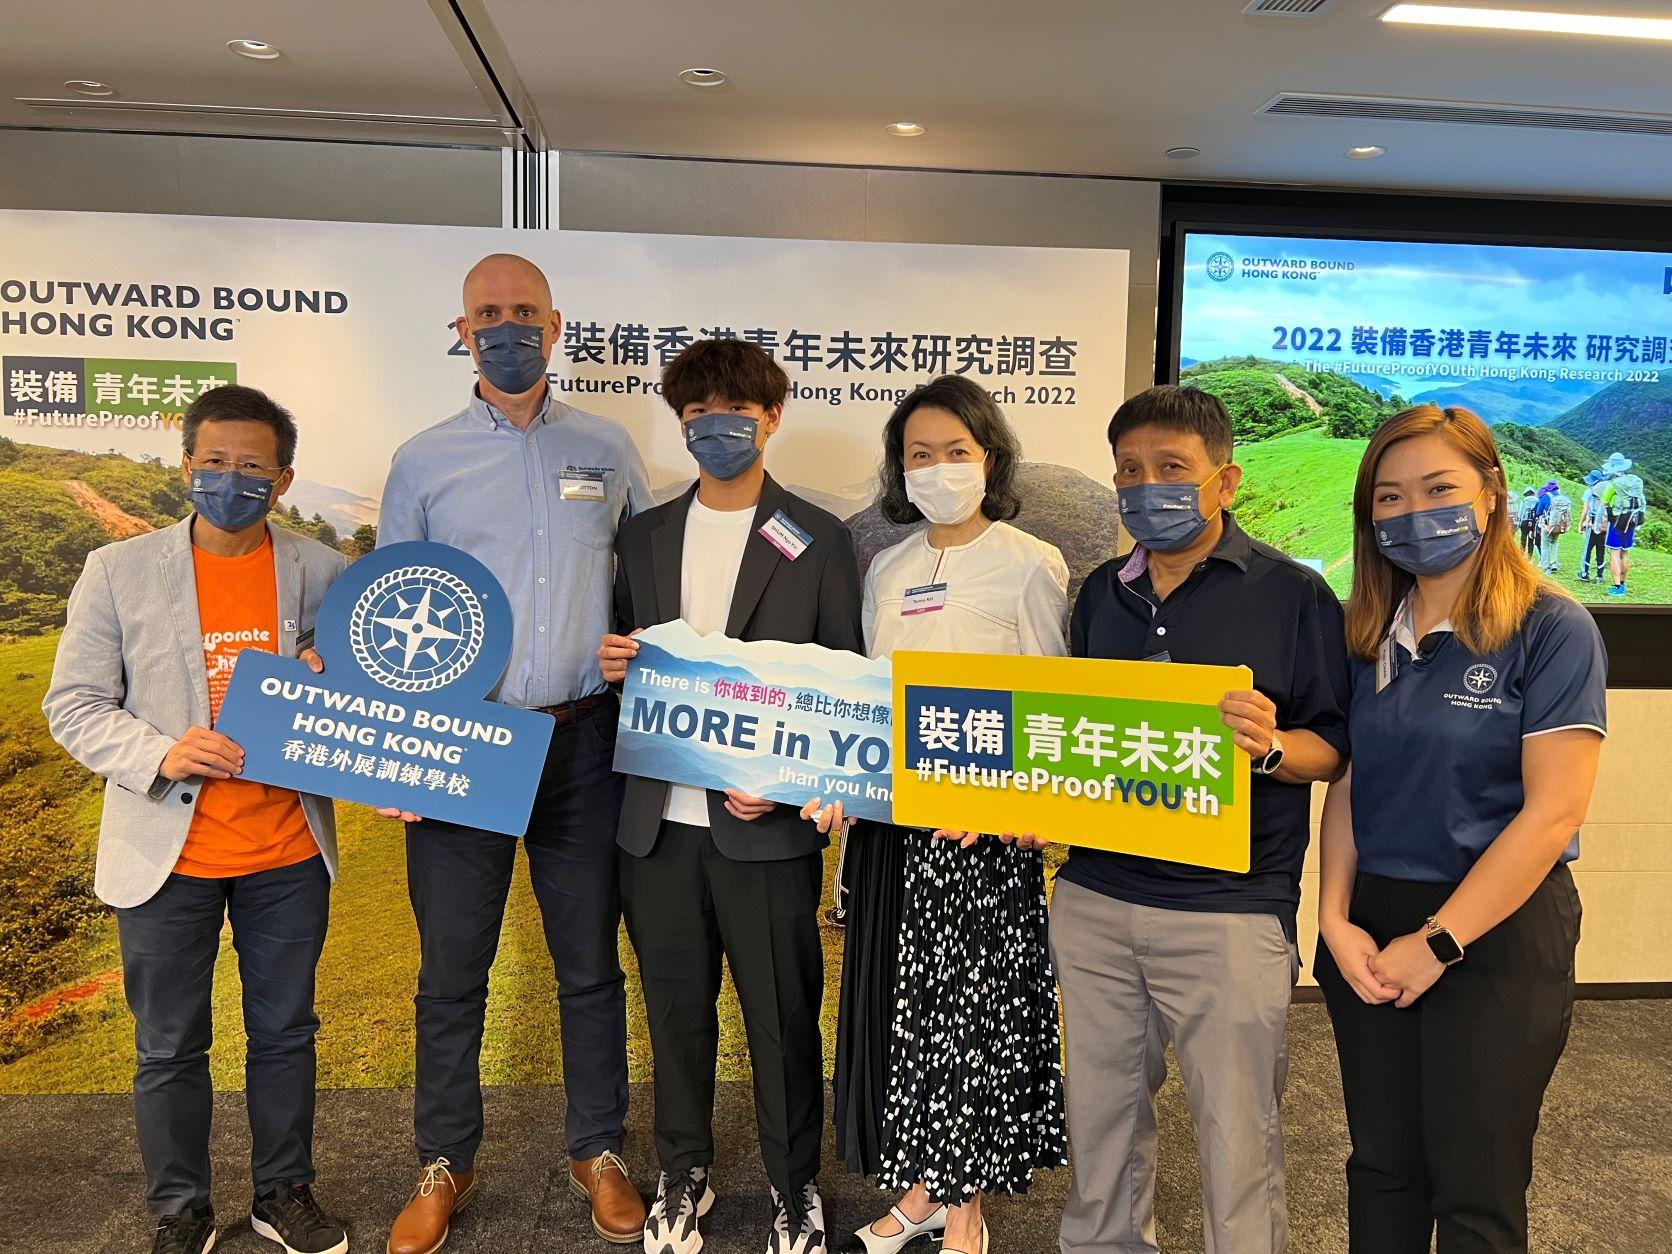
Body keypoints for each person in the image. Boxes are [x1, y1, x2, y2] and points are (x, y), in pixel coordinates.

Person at [377, 254, 653, 1253]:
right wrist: (398, 756)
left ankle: (598, 1150)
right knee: (453, 970)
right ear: (462, 330)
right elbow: (387, 615)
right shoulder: (422, 461)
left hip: (583, 742)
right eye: (487, 314)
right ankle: (443, 1161)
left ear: (555, 324)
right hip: (465, 745)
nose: (506, 327)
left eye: (523, 311)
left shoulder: (608, 448)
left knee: (589, 964)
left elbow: (646, 584)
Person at [43, 385, 349, 1254]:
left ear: (282, 481)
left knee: (285, 1034)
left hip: (286, 847)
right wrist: (160, 752)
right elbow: (73, 704)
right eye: (214, 461)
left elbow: (355, 695)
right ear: (186, 466)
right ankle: (181, 1207)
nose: (230, 479)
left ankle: (283, 1192)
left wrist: (331, 678)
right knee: (169, 1045)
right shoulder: (118, 570)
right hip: (164, 853)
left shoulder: (322, 571)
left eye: (252, 467)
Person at [1050, 384, 1350, 1254]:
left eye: (1172, 467)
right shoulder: (1101, 593)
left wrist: (1269, 746)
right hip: (1097, 897)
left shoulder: (1293, 594)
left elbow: (1333, 747)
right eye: (1129, 471)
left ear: (1226, 480)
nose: (1148, 488)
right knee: (1099, 1121)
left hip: (1230, 906)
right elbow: (1076, 733)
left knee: (1236, 1133)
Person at [1315, 404, 1605, 1253]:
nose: (1415, 512)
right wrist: (1333, 918)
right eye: (1390, 496)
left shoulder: (1551, 627)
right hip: (1372, 923)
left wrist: (1438, 943)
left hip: (1496, 932)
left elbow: (1554, 813)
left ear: (1492, 493)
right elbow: (1353, 780)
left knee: (1477, 1183)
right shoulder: (1370, 632)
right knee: (1382, 1168)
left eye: (1439, 488)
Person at [598, 337, 864, 1254]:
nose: (716, 428)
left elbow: (841, 683)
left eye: (737, 413)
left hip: (766, 831)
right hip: (657, 827)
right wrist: (614, 666)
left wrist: (789, 790)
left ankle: (796, 1185)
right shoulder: (643, 535)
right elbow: (626, 662)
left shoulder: (818, 537)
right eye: (698, 414)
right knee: (675, 1012)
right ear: (680, 424)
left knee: (782, 1015)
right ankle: (684, 1171)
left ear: (772, 417)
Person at [803, 376, 1068, 1254]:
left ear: (990, 458)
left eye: (957, 450)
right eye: (921, 454)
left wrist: (1013, 808)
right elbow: (868, 699)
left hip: (980, 836)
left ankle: (965, 1214)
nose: (939, 467)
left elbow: (1050, 704)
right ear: (900, 469)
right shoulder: (888, 567)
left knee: (970, 1021)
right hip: (890, 828)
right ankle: (921, 1192)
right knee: (904, 1015)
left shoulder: (1030, 562)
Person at [1599, 452, 1646, 598]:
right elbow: (1642, 501)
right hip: (1632, 521)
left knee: (1614, 553)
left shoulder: (1613, 484)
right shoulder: (1635, 481)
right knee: (1625, 553)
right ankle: (1623, 583)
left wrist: (1600, 521)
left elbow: (1604, 502)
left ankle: (1617, 586)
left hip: (1617, 522)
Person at [1576, 469, 1609, 583]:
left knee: (1587, 549)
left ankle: (1584, 573)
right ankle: (1599, 576)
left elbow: (1585, 510)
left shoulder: (1589, 492)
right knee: (1601, 550)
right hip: (1604, 524)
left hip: (1592, 523)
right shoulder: (1606, 491)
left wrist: (1580, 524)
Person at [1536, 480, 1569, 574]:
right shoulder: (1561, 497)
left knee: (1545, 545)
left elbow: (1538, 512)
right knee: (1554, 542)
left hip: (1548, 525)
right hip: (1559, 525)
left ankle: (1545, 565)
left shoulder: (1545, 496)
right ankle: (1553, 563)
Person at [1514, 487, 1539, 559]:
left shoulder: (1524, 501)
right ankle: (1529, 557)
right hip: (1533, 522)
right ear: (1532, 493)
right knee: (1531, 539)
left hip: (1524, 522)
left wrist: (1518, 523)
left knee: (1523, 538)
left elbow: (1520, 512)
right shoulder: (1537, 500)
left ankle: (1521, 555)